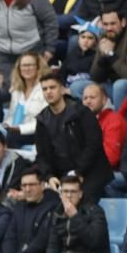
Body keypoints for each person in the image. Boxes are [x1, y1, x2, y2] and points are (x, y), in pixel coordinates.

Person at [35, 73, 111, 203]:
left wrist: (78, 172)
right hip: (62, 176)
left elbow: (94, 144)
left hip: (90, 173)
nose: (48, 92)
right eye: (45, 89)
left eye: (52, 87)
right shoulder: (42, 119)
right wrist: (49, 176)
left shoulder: (81, 112)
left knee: (81, 204)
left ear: (62, 89)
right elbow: (42, 154)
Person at [41, 172, 110, 253]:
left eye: (73, 192)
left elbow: (94, 241)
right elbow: (53, 244)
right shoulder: (58, 213)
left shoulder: (95, 211)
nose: (69, 195)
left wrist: (74, 216)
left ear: (80, 194)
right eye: (65, 191)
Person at [2, 167, 61, 253]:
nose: (27, 189)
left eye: (32, 185)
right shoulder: (19, 207)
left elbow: (42, 241)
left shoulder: (53, 207)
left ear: (42, 185)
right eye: (24, 185)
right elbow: (10, 236)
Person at [89, 6, 127, 107]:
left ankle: (119, 121)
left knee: (119, 86)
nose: (109, 28)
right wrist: (102, 56)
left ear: (123, 22)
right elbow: (95, 77)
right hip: (111, 84)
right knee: (79, 87)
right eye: (105, 24)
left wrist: (111, 55)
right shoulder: (105, 36)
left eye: (113, 24)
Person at [81, 83, 127, 171]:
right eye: (85, 98)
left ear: (104, 99)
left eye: (92, 97)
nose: (88, 101)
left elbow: (111, 158)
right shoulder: (82, 121)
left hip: (110, 172)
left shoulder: (114, 120)